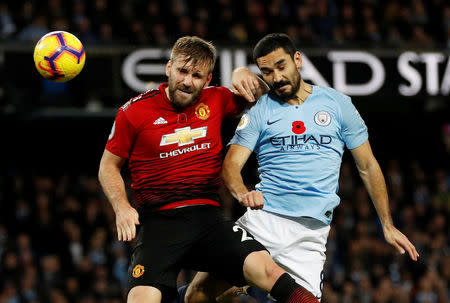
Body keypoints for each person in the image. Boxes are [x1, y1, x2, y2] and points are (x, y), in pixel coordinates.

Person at [183, 33, 420, 302]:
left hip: (309, 236)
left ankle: (245, 285)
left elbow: (367, 165)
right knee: (197, 295)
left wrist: (387, 225)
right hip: (263, 223)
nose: (277, 77)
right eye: (267, 72)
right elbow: (231, 167)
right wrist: (242, 193)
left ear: (298, 59)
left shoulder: (338, 104)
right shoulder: (261, 109)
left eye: (281, 66)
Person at [98, 36, 321, 303]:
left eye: (196, 75)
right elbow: (108, 166)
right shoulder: (133, 112)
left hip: (207, 218)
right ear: (169, 68)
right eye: (182, 71)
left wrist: (242, 73)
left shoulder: (217, 99)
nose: (187, 81)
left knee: (268, 270)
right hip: (158, 223)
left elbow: (267, 96)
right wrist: (122, 207)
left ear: (207, 80)